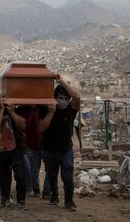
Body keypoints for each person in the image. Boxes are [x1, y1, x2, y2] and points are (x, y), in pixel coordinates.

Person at [40, 75, 80, 211]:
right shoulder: (46, 109)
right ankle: (54, 197)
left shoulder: (70, 109)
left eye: (66, 98)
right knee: (51, 176)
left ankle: (69, 201)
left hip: (65, 150)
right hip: (49, 150)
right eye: (60, 98)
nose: (63, 101)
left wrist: (62, 81)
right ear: (55, 97)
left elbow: (77, 97)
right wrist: (51, 112)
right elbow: (41, 128)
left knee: (68, 178)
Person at [18, 105, 51, 199]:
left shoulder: (47, 109)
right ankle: (36, 189)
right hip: (31, 144)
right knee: (33, 170)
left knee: (50, 169)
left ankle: (46, 191)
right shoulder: (24, 110)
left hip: (46, 145)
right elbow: (25, 124)